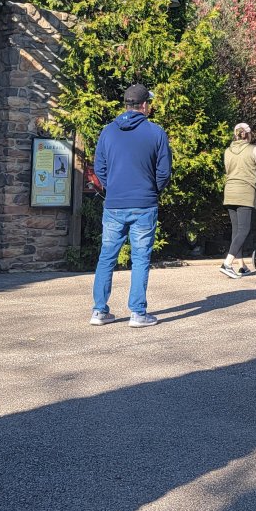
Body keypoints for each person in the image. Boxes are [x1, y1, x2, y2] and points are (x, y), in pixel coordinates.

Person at [90, 83, 171, 328]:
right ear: (144, 105)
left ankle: (99, 311)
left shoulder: (107, 132)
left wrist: (112, 187)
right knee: (140, 258)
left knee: (106, 257)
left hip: (114, 204)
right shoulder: (156, 133)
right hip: (144, 204)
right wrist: (151, 190)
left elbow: (100, 168)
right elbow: (164, 173)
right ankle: (137, 313)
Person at [221, 122, 256, 278]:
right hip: (245, 193)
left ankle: (242, 267)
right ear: (248, 134)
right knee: (244, 230)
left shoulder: (227, 151)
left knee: (236, 231)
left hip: (229, 192)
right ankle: (227, 263)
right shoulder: (253, 150)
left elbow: (228, 170)